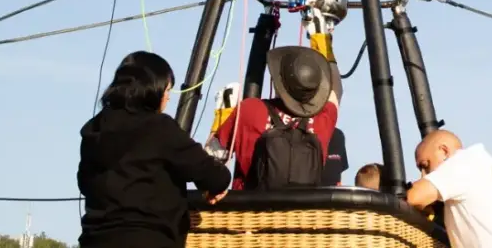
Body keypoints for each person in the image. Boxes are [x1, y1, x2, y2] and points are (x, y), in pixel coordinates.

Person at [77, 51, 233, 248]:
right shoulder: (159, 128)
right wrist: (213, 186)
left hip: (94, 240)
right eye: (167, 91)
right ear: (153, 90)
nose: (167, 98)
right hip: (149, 238)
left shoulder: (93, 131)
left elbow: (84, 183)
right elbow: (214, 176)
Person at [212, 46, 341, 190]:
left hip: (251, 203)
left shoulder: (249, 109)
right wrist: (322, 41)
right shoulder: (324, 116)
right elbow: (336, 91)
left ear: (277, 82)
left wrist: (223, 114)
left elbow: (214, 156)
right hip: (303, 204)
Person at [404, 130, 492, 248]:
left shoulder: (461, 162)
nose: (423, 175)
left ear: (444, 151)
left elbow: (413, 197)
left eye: (425, 165)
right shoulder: (484, 163)